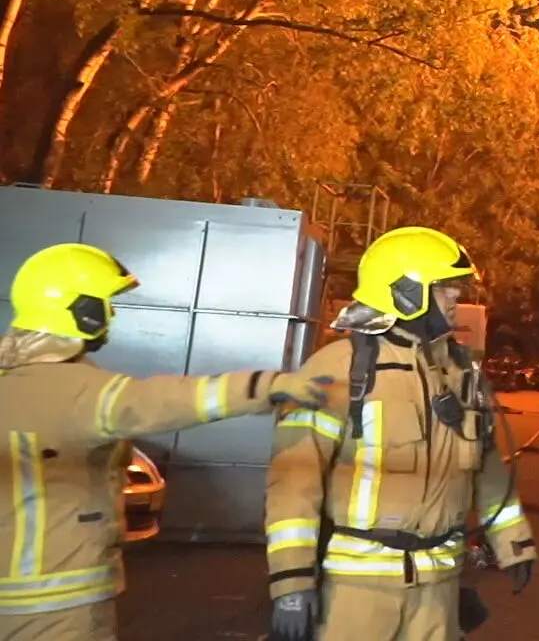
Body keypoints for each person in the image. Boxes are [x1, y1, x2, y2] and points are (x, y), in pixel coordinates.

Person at [0, 243, 335, 641]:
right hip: (54, 600)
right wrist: (265, 386)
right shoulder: (71, 390)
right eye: (104, 303)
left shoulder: (14, 379)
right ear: (80, 310)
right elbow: (162, 401)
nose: (111, 314)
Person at [263, 226, 535, 641]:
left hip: (439, 594)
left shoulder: (462, 373)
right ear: (406, 292)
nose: (455, 296)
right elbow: (293, 481)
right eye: (443, 287)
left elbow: (487, 466)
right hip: (355, 595)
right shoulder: (335, 369)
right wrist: (292, 584)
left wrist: (513, 541)